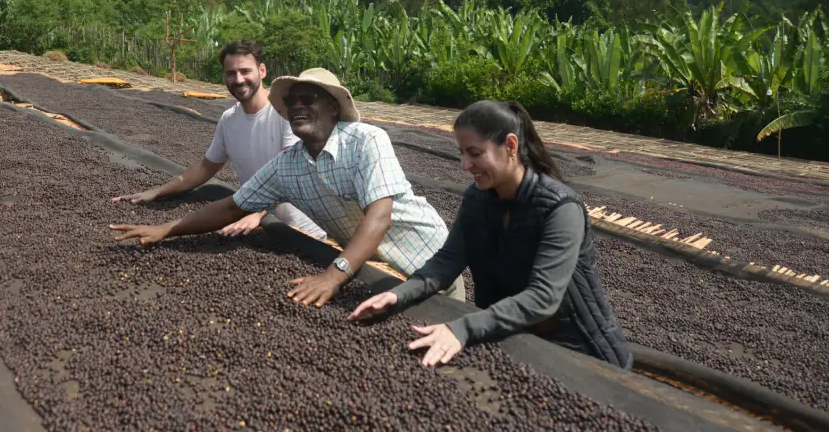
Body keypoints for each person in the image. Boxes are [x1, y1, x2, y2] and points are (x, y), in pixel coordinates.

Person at [110, 68, 463, 308]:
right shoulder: (287, 165)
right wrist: (166, 229)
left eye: (307, 99)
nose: (297, 106)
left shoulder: (367, 140)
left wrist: (332, 277)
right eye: (291, 102)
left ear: (333, 108)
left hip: (430, 264)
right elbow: (233, 207)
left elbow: (380, 215)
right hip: (375, 271)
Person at [348, 100, 632, 370]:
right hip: (515, 340)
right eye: (461, 152)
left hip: (583, 354)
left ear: (510, 145)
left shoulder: (560, 208)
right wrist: (398, 295)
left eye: (475, 153)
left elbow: (544, 297)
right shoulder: (477, 199)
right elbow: (448, 261)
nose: (464, 165)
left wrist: (463, 328)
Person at [110, 40, 326, 240]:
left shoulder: (286, 115)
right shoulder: (229, 119)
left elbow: (291, 176)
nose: (238, 79)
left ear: (262, 71)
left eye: (245, 71)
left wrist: (259, 214)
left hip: (303, 229)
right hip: (257, 227)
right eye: (231, 73)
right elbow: (206, 166)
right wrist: (157, 191)